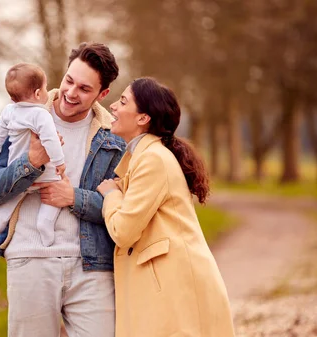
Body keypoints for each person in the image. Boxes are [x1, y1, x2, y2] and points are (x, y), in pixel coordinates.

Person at [0, 42, 124, 337]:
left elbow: (122, 209)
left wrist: (74, 198)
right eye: (69, 80)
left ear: (102, 94)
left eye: (84, 88)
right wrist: (30, 163)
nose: (70, 93)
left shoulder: (113, 138)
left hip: (92, 266)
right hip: (30, 258)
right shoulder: (19, 119)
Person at [97, 77, 235, 337]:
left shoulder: (152, 160)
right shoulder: (145, 157)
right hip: (168, 288)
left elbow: (124, 231)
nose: (113, 106)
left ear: (143, 118)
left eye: (123, 101)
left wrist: (110, 196)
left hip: (174, 291)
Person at [0, 63, 65, 247]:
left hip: (20, 171)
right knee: (57, 189)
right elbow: (51, 140)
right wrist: (59, 162)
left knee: (14, 196)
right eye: (45, 88)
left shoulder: (9, 112)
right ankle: (45, 223)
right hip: (46, 175)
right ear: (37, 94)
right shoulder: (41, 115)